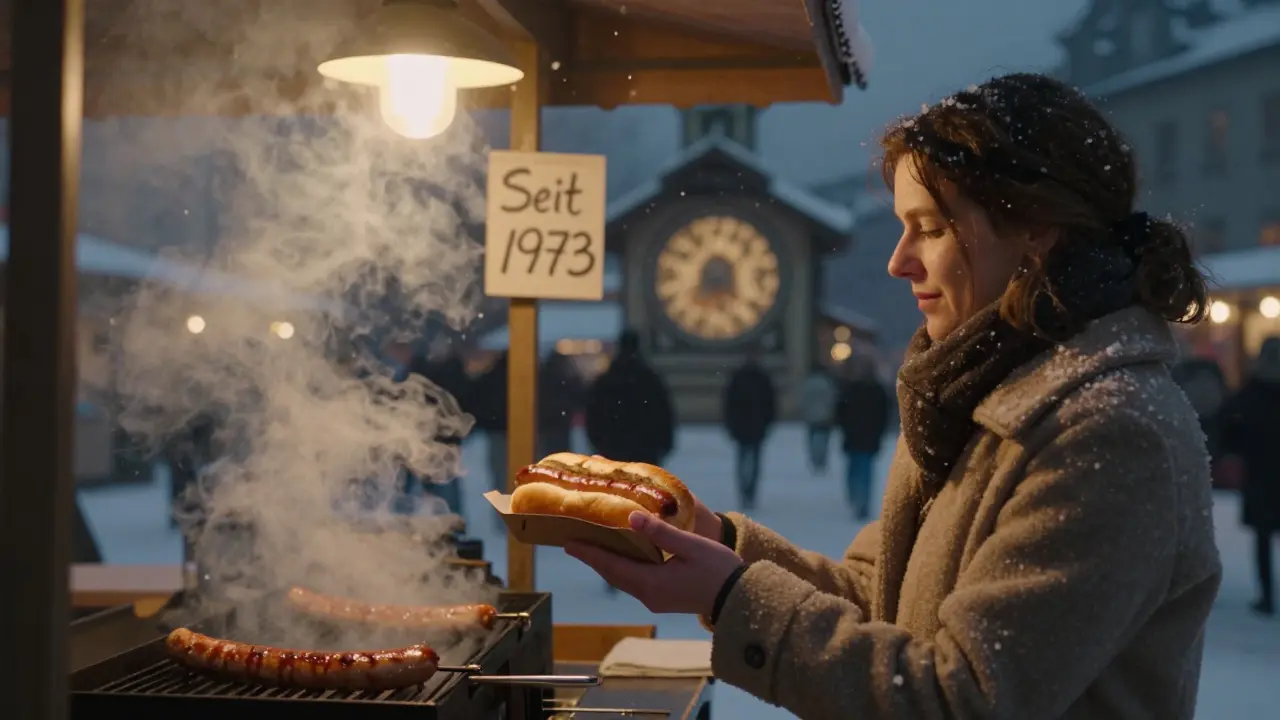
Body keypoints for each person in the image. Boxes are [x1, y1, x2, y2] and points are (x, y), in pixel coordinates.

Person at [564, 73, 1221, 719]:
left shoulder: (1107, 433)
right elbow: (880, 600)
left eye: (929, 228)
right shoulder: (971, 396)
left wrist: (732, 595)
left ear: (1036, 227)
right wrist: (722, 544)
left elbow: (963, 700)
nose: (898, 261)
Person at [585, 329, 675, 593]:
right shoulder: (650, 379)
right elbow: (663, 414)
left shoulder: (607, 380)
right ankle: (642, 560)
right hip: (645, 453)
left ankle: (613, 566)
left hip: (614, 453)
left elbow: (594, 415)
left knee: (613, 510)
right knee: (645, 509)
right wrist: (663, 444)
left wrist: (600, 444)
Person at [1220, 337, 1280, 617]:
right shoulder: (1251, 391)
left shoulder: (1250, 391)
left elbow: (1229, 425)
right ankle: (1266, 597)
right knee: (1263, 538)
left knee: (1263, 539)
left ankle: (1266, 597)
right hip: (1262, 474)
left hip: (1260, 474)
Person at [833, 354, 890, 520]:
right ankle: (860, 500)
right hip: (866, 436)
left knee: (857, 468)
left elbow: (840, 412)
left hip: (857, 436)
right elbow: (884, 415)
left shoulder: (852, 389)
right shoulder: (874, 390)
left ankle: (858, 499)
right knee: (863, 469)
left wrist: (844, 426)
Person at [722, 353, 777, 510]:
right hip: (757, 425)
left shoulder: (737, 379)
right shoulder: (763, 379)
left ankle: (744, 491)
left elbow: (729, 404)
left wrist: (730, 423)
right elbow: (770, 404)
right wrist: (768, 422)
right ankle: (750, 491)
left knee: (742, 459)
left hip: (741, 426)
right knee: (754, 460)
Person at [539, 350, 585, 458]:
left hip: (548, 424)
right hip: (560, 423)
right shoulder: (565, 379)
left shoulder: (544, 379)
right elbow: (578, 396)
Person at [798, 363, 838, 474]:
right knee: (824, 439)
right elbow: (831, 399)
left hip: (811, 416)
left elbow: (803, 400)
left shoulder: (807, 384)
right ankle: (821, 460)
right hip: (824, 415)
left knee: (812, 437)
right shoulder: (827, 383)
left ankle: (814, 459)